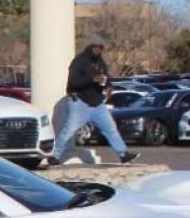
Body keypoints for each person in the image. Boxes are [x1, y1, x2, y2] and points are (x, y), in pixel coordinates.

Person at [48, 37, 138, 165]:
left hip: (97, 104)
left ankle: (123, 154)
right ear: (90, 47)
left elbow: (106, 78)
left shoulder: (101, 62)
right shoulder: (79, 61)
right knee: (69, 130)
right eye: (95, 47)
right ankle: (55, 156)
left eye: (100, 47)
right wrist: (92, 79)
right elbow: (73, 82)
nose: (98, 50)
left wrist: (108, 86)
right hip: (80, 103)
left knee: (111, 129)